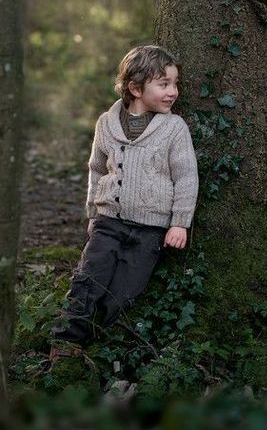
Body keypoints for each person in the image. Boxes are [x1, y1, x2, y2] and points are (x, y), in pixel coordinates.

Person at [50, 45, 199, 357]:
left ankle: (97, 340)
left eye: (175, 84)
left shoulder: (174, 129)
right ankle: (67, 341)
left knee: (123, 294)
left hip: (150, 231)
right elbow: (95, 168)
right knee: (89, 279)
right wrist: (93, 213)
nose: (173, 91)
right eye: (164, 84)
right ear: (135, 87)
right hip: (108, 223)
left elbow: (186, 176)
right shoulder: (107, 122)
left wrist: (179, 223)